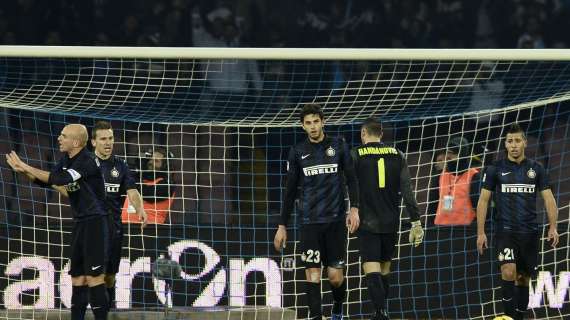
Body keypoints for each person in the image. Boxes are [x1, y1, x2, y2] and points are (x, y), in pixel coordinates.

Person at [6, 124, 110, 320]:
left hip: (95, 223)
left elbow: (59, 179)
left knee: (94, 278)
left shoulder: (86, 161)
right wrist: (22, 171)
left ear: (76, 142)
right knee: (78, 279)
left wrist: (26, 166)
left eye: (63, 136)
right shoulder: (65, 160)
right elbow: (49, 182)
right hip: (80, 223)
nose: (59, 139)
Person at [273, 104, 360, 320]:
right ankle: (316, 316)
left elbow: (352, 179)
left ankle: (338, 309)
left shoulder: (338, 146)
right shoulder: (297, 152)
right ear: (303, 126)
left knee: (335, 278)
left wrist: (355, 209)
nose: (312, 127)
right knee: (313, 274)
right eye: (308, 123)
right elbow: (290, 191)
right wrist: (282, 225)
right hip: (309, 223)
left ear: (323, 121)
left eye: (316, 121)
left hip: (336, 221)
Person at [477, 123, 559, 320]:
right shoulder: (494, 169)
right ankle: (508, 317)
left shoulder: (536, 169)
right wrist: (481, 232)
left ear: (524, 142)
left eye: (517, 141)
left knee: (523, 278)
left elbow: (549, 198)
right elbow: (483, 200)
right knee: (508, 271)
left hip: (529, 232)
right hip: (505, 231)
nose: (513, 145)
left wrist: (553, 227)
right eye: (509, 141)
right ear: (505, 144)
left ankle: (519, 317)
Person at [352, 118, 423, 320]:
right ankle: (382, 313)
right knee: (384, 269)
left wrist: (351, 208)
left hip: (367, 221)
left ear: (363, 133)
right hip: (391, 221)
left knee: (370, 267)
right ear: (381, 134)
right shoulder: (397, 155)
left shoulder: (356, 154)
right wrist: (415, 221)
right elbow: (408, 191)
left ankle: (380, 314)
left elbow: (348, 184)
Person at [91, 120, 147, 308]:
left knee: (109, 275)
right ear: (93, 142)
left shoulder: (121, 166)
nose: (108, 143)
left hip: (114, 226)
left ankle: (108, 305)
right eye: (103, 139)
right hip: (91, 225)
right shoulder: (85, 164)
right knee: (93, 273)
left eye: (111, 138)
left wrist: (140, 209)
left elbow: (132, 192)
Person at [428, 137, 482, 226]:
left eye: (454, 153)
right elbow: (432, 205)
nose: (449, 156)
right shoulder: (440, 176)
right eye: (448, 152)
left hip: (464, 229)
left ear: (463, 154)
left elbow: (479, 206)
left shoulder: (474, 176)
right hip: (439, 228)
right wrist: (429, 226)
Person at [123, 147, 174, 224]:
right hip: (125, 226)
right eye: (150, 160)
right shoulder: (139, 180)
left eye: (156, 161)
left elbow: (148, 194)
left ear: (165, 166)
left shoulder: (167, 184)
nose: (151, 162)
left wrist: (130, 175)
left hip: (150, 229)